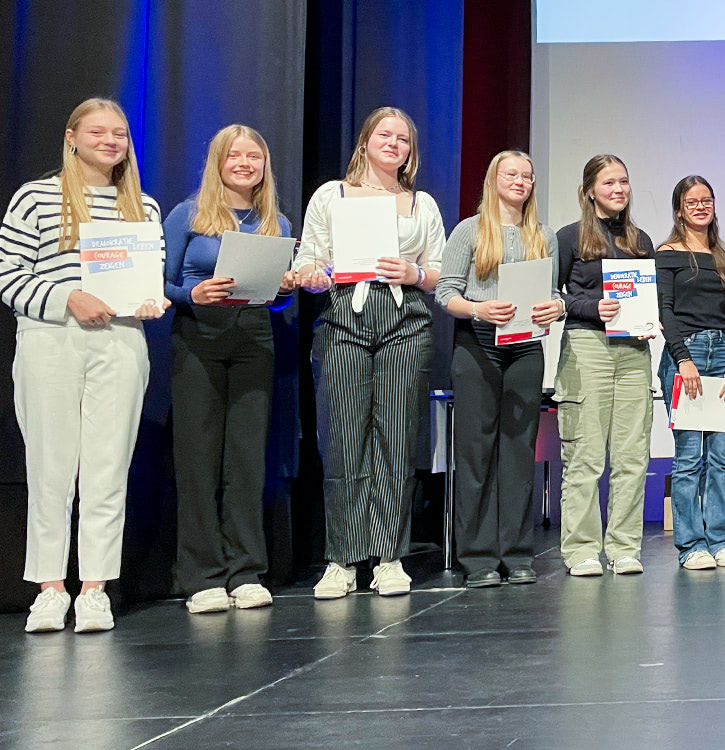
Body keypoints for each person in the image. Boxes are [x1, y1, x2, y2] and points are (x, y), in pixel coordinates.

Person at [1, 98, 167, 633]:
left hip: (120, 340)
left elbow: (152, 281)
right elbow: (8, 277)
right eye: (98, 132)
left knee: (106, 468)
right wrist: (66, 297)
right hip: (52, 339)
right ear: (72, 137)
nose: (110, 141)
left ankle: (95, 587)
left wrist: (151, 301)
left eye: (119, 133)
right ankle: (50, 588)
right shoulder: (35, 198)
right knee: (50, 468)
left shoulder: (144, 206)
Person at [294, 107, 446, 598]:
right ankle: (342, 558)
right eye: (385, 134)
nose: (394, 143)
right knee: (342, 438)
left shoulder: (422, 204)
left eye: (403, 138)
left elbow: (440, 271)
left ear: (410, 152)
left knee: (397, 438)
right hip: (343, 319)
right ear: (365, 141)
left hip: (405, 323)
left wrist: (415, 275)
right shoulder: (331, 196)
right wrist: (313, 274)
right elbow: (307, 259)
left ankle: (388, 556)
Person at [164, 124, 294, 613]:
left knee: (246, 459)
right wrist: (190, 294)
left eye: (254, 156)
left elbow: (276, 300)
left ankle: (245, 570)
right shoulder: (188, 215)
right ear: (218, 162)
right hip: (198, 335)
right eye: (235, 155)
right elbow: (163, 283)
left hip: (254, 337)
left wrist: (283, 288)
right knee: (197, 459)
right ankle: (201, 575)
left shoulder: (274, 223)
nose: (245, 163)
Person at [436, 150, 563, 587]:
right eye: (511, 174)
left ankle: (517, 554)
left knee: (518, 455)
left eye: (527, 176)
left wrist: (556, 308)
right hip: (478, 348)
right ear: (493, 180)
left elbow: (554, 294)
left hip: (526, 349)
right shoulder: (469, 231)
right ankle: (479, 559)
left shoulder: (543, 235)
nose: (520, 181)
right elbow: (445, 293)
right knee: (475, 455)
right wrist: (478, 308)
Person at [555, 154, 656, 577]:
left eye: (624, 182)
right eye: (609, 182)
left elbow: (649, 296)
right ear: (590, 190)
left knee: (632, 456)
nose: (618, 190)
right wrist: (592, 306)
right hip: (587, 347)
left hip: (633, 351)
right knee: (586, 455)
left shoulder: (640, 239)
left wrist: (652, 318)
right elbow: (554, 297)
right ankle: (580, 550)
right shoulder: (569, 236)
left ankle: (623, 547)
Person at [655, 176, 725, 570]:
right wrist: (682, 359)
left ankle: (718, 540)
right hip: (686, 356)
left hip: (722, 357)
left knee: (718, 456)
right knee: (689, 456)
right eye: (691, 202)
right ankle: (691, 545)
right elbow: (665, 311)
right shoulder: (667, 253)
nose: (700, 207)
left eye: (706, 200)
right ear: (679, 209)